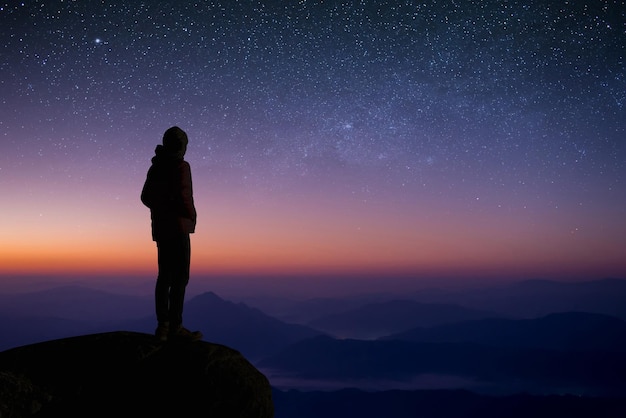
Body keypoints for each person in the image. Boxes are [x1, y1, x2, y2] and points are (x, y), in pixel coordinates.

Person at [141, 126, 202, 342]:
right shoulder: (180, 166)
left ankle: (163, 327)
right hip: (178, 228)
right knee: (180, 277)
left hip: (161, 228)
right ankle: (175, 326)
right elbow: (184, 196)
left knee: (164, 276)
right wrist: (191, 216)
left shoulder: (156, 166)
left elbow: (146, 197)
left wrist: (162, 208)